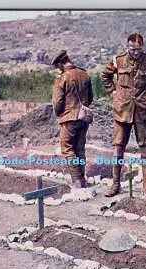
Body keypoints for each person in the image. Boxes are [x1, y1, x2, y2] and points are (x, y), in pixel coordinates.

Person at [100, 32, 146, 197]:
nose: (135, 52)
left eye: (138, 49)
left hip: (142, 109)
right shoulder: (118, 60)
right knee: (118, 146)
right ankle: (115, 185)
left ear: (142, 47)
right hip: (122, 109)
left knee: (144, 146)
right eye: (132, 49)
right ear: (127, 46)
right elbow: (105, 75)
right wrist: (113, 92)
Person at [51, 50, 94, 188]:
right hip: (83, 117)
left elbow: (57, 102)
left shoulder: (62, 78)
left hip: (69, 118)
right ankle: (82, 178)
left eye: (57, 66)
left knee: (68, 149)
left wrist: (59, 113)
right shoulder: (84, 74)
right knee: (80, 149)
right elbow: (90, 97)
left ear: (60, 64)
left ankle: (76, 180)